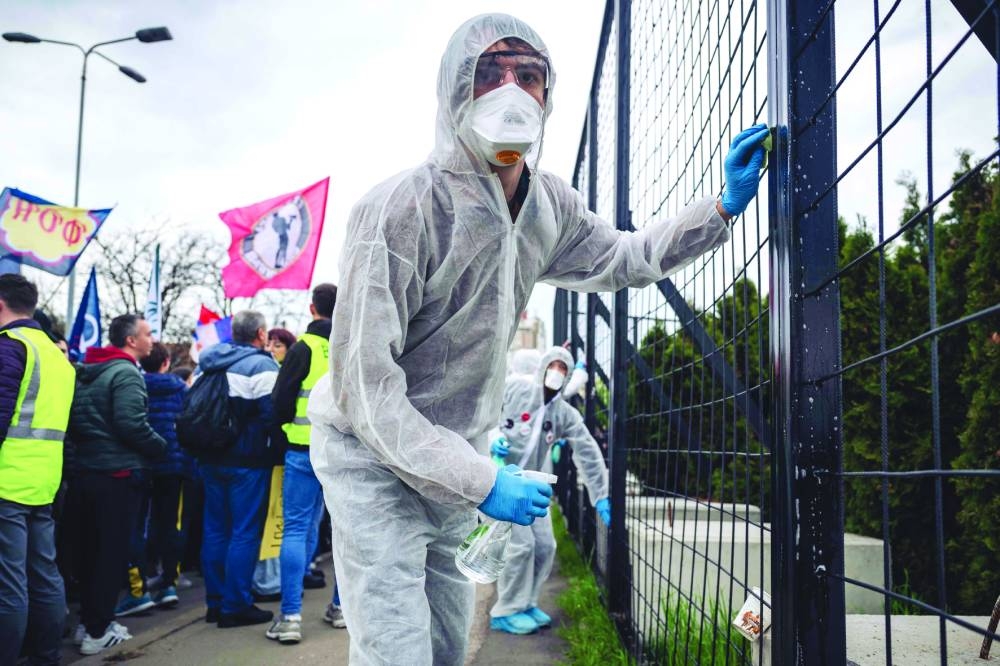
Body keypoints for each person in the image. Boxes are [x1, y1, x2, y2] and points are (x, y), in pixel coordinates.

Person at [306, 13, 767, 664]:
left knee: (448, 643)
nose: (511, 91)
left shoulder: (547, 205)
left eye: (529, 75)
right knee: (394, 648)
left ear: (549, 96)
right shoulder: (399, 210)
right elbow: (365, 389)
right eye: (490, 72)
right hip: (372, 460)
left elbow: (625, 257)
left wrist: (718, 210)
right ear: (453, 91)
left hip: (454, 460)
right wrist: (480, 479)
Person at [489, 346, 610, 634]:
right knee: (521, 545)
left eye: (563, 369)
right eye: (553, 365)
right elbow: (487, 410)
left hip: (531, 483)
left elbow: (588, 450)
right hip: (500, 480)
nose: (556, 372)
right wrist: (493, 438)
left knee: (545, 545)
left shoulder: (562, 414)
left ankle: (526, 602)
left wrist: (601, 494)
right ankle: (506, 610)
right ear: (542, 366)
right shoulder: (516, 389)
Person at [67, 313, 166, 655]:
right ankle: (99, 630)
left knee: (91, 553)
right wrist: (160, 447)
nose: (152, 340)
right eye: (148, 333)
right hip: (118, 475)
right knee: (110, 555)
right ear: (131, 341)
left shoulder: (88, 371)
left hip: (88, 472)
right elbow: (130, 423)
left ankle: (89, 623)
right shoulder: (125, 372)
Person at [0, 274, 75, 666]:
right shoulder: (56, 356)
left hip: (6, 480)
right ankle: (46, 657)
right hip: (43, 481)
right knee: (44, 576)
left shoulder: (10, 348)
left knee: (8, 586)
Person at [266, 283, 343, 644]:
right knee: (344, 532)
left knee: (296, 529)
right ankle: (341, 608)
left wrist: (281, 433)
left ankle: (290, 617)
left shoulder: (303, 348)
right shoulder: (350, 345)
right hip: (343, 455)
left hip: (302, 451)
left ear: (312, 309)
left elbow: (279, 401)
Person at [195, 310, 279, 629]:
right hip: (248, 461)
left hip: (210, 458)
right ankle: (236, 605)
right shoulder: (261, 365)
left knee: (215, 530)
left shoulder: (209, 362)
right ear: (259, 333)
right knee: (244, 532)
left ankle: (215, 603)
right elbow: (273, 414)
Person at [140, 342, 194, 608]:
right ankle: (170, 582)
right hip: (175, 466)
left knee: (145, 523)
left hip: (144, 464)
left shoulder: (136, 385)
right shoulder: (180, 390)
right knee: (172, 523)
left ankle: (144, 580)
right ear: (166, 363)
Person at [252, 328, 297, 603]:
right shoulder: (267, 371)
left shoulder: (282, 373)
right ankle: (268, 581)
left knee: (281, 520)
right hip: (271, 458)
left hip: (282, 455)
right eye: (269, 343)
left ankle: (276, 578)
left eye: (278, 344)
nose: (272, 348)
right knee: (273, 520)